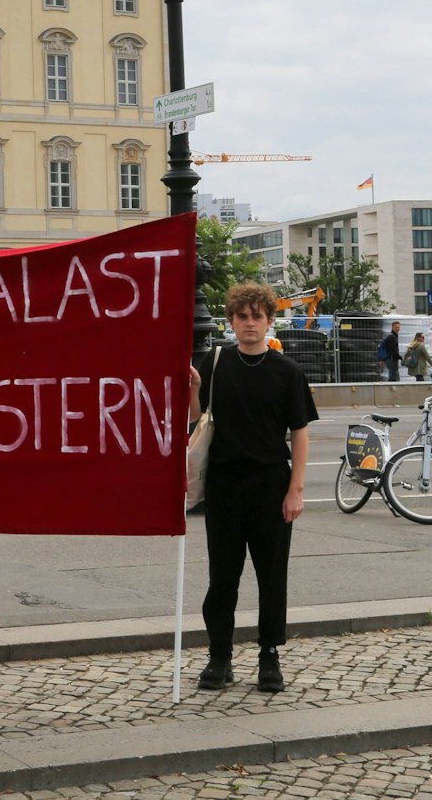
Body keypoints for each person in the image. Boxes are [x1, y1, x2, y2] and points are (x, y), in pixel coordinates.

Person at [189, 282, 317, 694]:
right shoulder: (216, 362)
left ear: (268, 320)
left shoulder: (287, 371)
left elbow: (299, 435)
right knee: (222, 575)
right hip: (225, 485)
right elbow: (199, 422)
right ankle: (219, 656)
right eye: (241, 317)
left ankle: (269, 655)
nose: (249, 323)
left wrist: (295, 490)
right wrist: (193, 389)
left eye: (256, 316)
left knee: (271, 574)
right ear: (231, 321)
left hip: (270, 484)